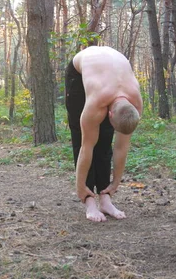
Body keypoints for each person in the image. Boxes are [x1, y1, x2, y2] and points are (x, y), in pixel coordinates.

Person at [65, 46, 143, 222]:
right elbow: (86, 147)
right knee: (84, 135)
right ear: (109, 115)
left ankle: (105, 198)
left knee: (105, 137)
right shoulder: (97, 102)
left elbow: (121, 147)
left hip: (110, 68)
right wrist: (79, 187)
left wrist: (115, 183)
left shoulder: (135, 105)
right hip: (79, 70)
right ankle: (89, 201)